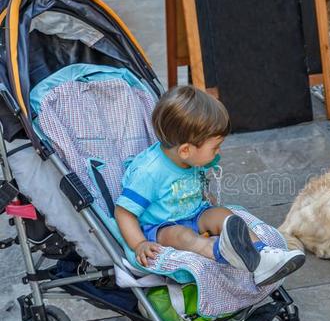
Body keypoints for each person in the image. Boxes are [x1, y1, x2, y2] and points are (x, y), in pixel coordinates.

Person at [114, 85, 305, 286]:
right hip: (162, 226)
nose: (218, 152)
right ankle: (221, 251)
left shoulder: (190, 159)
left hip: (195, 214)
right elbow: (124, 212)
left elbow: (191, 186)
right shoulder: (150, 172)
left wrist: (206, 198)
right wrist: (139, 244)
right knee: (181, 235)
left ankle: (263, 253)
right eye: (215, 147)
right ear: (186, 150)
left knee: (223, 214)